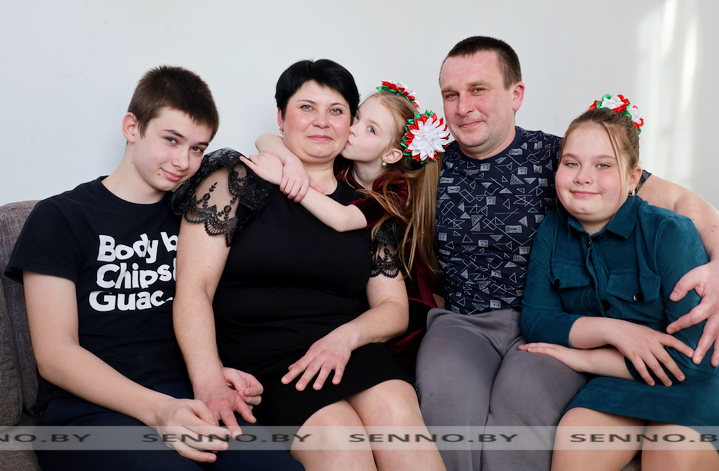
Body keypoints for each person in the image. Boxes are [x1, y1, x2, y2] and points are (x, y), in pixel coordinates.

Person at [414, 36, 719, 471]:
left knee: (523, 401)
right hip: (467, 324)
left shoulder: (568, 158)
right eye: (450, 95)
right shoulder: (425, 164)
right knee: (448, 400)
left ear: (516, 95)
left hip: (552, 327)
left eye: (478, 89)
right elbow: (352, 171)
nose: (463, 107)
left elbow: (680, 202)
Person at [5, 66, 303, 470]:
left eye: (197, 148)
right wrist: (160, 410)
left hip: (189, 398)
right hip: (88, 411)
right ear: (132, 127)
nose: (183, 161)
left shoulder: (196, 217)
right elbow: (55, 354)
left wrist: (215, 374)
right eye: (171, 140)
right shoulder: (60, 217)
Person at [171, 59, 445, 471]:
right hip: (265, 358)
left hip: (346, 348)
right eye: (306, 108)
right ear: (281, 118)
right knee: (341, 440)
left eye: (336, 110)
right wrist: (209, 380)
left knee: (398, 414)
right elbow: (194, 288)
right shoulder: (237, 181)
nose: (321, 121)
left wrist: (344, 339)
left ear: (350, 123)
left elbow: (393, 309)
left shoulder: (366, 206)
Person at [518, 95, 719, 470]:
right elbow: (537, 319)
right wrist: (616, 331)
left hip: (713, 374)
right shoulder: (552, 229)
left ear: (632, 178)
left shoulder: (670, 232)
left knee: (669, 452)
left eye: (603, 165)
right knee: (576, 442)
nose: (583, 176)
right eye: (571, 163)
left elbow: (689, 360)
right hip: (627, 373)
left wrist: (585, 358)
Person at [245, 81, 452, 374]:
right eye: (356, 118)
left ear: (391, 155)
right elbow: (265, 138)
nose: (352, 129)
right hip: (349, 289)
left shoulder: (395, 190)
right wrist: (291, 164)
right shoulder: (342, 165)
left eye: (371, 129)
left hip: (397, 298)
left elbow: (343, 219)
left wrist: (285, 179)